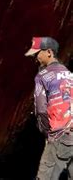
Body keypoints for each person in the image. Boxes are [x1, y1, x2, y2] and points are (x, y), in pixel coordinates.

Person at [25, 37, 73, 179]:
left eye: (38, 53)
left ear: (49, 52)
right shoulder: (70, 75)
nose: (35, 58)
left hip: (59, 134)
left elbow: (41, 109)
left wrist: (47, 132)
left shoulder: (43, 76)